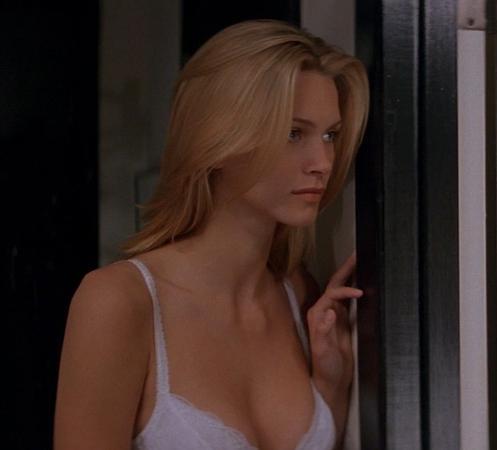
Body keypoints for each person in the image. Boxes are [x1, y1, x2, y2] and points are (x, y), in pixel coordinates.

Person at [54, 19, 368, 450]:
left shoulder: (299, 297)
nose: (323, 162)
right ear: (219, 138)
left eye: (330, 135)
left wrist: (332, 385)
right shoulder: (119, 302)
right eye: (293, 133)